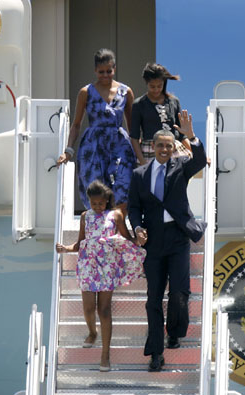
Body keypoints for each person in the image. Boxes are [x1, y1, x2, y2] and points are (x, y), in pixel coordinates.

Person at [128, 110, 207, 372]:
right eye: (160, 145)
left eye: (168, 145)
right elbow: (133, 208)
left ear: (174, 148)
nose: (164, 149)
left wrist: (191, 136)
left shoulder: (181, 167)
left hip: (177, 237)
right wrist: (137, 228)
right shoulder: (140, 174)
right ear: (152, 147)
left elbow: (199, 161)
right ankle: (156, 354)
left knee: (178, 294)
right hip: (153, 243)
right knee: (153, 299)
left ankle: (174, 331)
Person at [56, 180, 146, 371]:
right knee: (88, 308)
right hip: (88, 265)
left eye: (101, 203)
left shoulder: (116, 215)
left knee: (103, 310)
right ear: (88, 201)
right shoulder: (84, 216)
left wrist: (137, 240)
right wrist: (66, 248)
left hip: (107, 266)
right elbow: (81, 242)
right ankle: (92, 332)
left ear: (107, 201)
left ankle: (105, 355)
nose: (97, 207)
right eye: (93, 203)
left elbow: (127, 238)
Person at [57, 48, 138, 213]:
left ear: (114, 69)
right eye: (101, 72)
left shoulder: (125, 91)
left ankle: (119, 227)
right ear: (95, 70)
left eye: (109, 71)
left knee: (123, 183)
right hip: (93, 145)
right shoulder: (86, 92)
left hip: (119, 143)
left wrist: (138, 150)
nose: (106, 75)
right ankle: (98, 229)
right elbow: (77, 124)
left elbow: (132, 124)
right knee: (95, 189)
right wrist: (68, 150)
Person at [130, 63, 192, 166]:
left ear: (164, 83)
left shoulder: (173, 101)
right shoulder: (139, 104)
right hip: (149, 151)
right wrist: (142, 162)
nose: (156, 90)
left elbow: (182, 134)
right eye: (152, 86)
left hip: (173, 149)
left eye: (159, 86)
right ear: (146, 83)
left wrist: (195, 152)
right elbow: (134, 138)